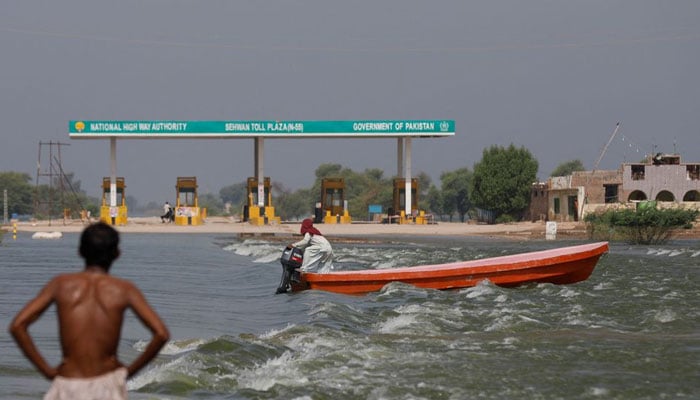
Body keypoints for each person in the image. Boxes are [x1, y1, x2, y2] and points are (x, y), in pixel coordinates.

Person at [8, 222, 170, 400]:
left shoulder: (61, 285)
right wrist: (129, 371)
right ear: (117, 254)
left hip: (68, 381)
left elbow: (18, 325)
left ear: (80, 252)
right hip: (108, 383)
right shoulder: (124, 289)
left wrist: (46, 370)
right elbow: (161, 333)